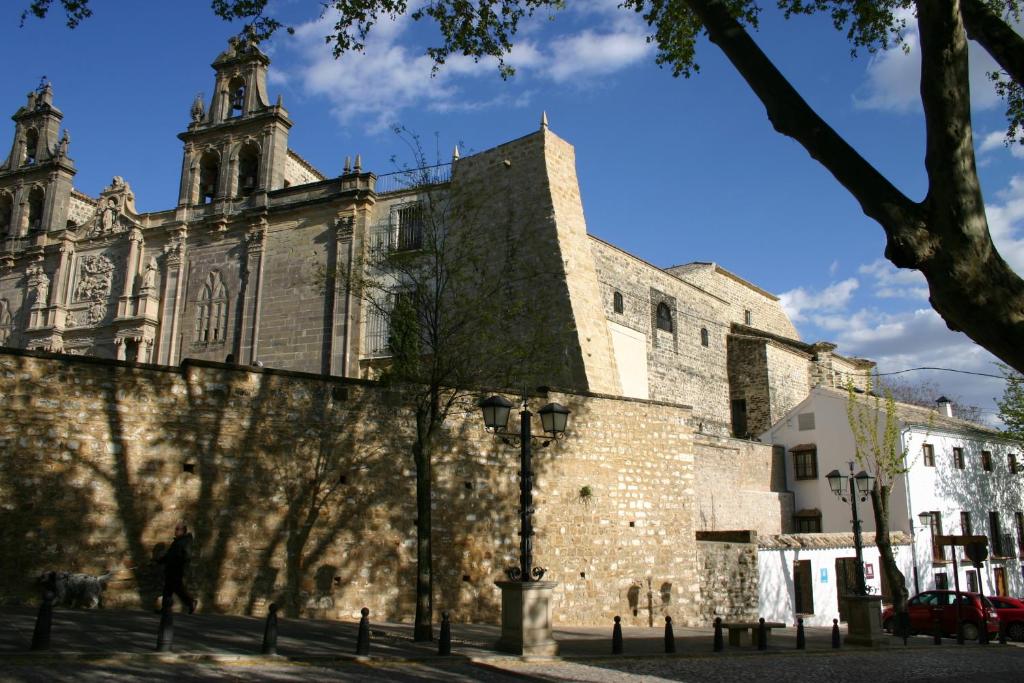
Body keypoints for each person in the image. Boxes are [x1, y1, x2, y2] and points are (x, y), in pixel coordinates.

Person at [158, 521, 197, 614]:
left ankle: (191, 602)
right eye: (175, 529)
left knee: (176, 588)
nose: (175, 531)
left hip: (176, 568)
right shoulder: (178, 541)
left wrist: (178, 562)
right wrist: (159, 561)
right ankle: (166, 608)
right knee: (169, 589)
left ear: (183, 531)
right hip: (172, 568)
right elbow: (170, 555)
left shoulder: (184, 542)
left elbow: (185, 556)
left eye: (177, 529)